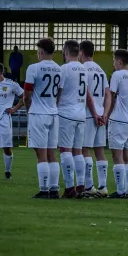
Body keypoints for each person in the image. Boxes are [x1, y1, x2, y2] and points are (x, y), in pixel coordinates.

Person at [24, 38, 63, 199]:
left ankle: (44, 189)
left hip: (38, 114)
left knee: (41, 154)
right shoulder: (59, 69)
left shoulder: (33, 68)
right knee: (52, 153)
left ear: (40, 52)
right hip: (54, 113)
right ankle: (54, 189)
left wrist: (28, 109)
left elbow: (27, 94)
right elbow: (59, 92)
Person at [56, 40, 88, 199]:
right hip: (81, 113)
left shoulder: (64, 69)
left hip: (66, 113)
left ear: (66, 52)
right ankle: (80, 185)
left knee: (65, 150)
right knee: (78, 151)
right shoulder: (83, 68)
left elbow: (58, 91)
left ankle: (69, 187)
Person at [79, 40, 110, 198]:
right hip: (100, 113)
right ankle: (103, 187)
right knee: (99, 151)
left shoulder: (82, 69)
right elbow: (108, 93)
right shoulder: (100, 70)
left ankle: (89, 185)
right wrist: (105, 113)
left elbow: (85, 93)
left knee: (85, 149)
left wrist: (94, 113)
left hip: (89, 114)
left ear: (81, 52)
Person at [106, 49, 128, 199]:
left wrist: (106, 115)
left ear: (119, 61)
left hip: (118, 120)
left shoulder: (117, 75)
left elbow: (110, 97)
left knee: (117, 156)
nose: (113, 64)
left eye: (114, 61)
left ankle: (120, 191)